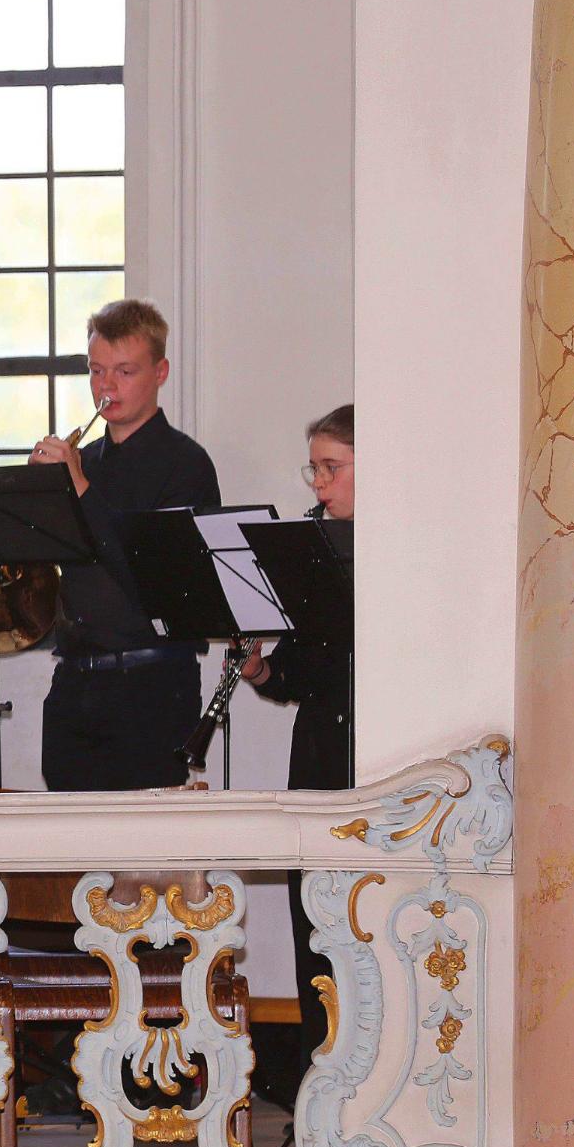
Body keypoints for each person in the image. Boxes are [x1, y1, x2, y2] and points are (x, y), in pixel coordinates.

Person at [28, 299, 221, 791]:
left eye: (124, 371)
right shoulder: (84, 459)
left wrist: (79, 487)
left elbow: (154, 577)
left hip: (151, 687)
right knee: (72, 856)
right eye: (96, 371)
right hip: (73, 684)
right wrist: (34, 501)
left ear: (161, 372)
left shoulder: (186, 465)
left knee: (146, 857)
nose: (106, 386)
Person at [242, 404, 355, 1101]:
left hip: (374, 752)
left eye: (332, 468)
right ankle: (323, 1086)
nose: (319, 484)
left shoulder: (403, 549)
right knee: (312, 921)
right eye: (314, 468)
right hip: (318, 750)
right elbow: (305, 670)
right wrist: (262, 671)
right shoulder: (309, 545)